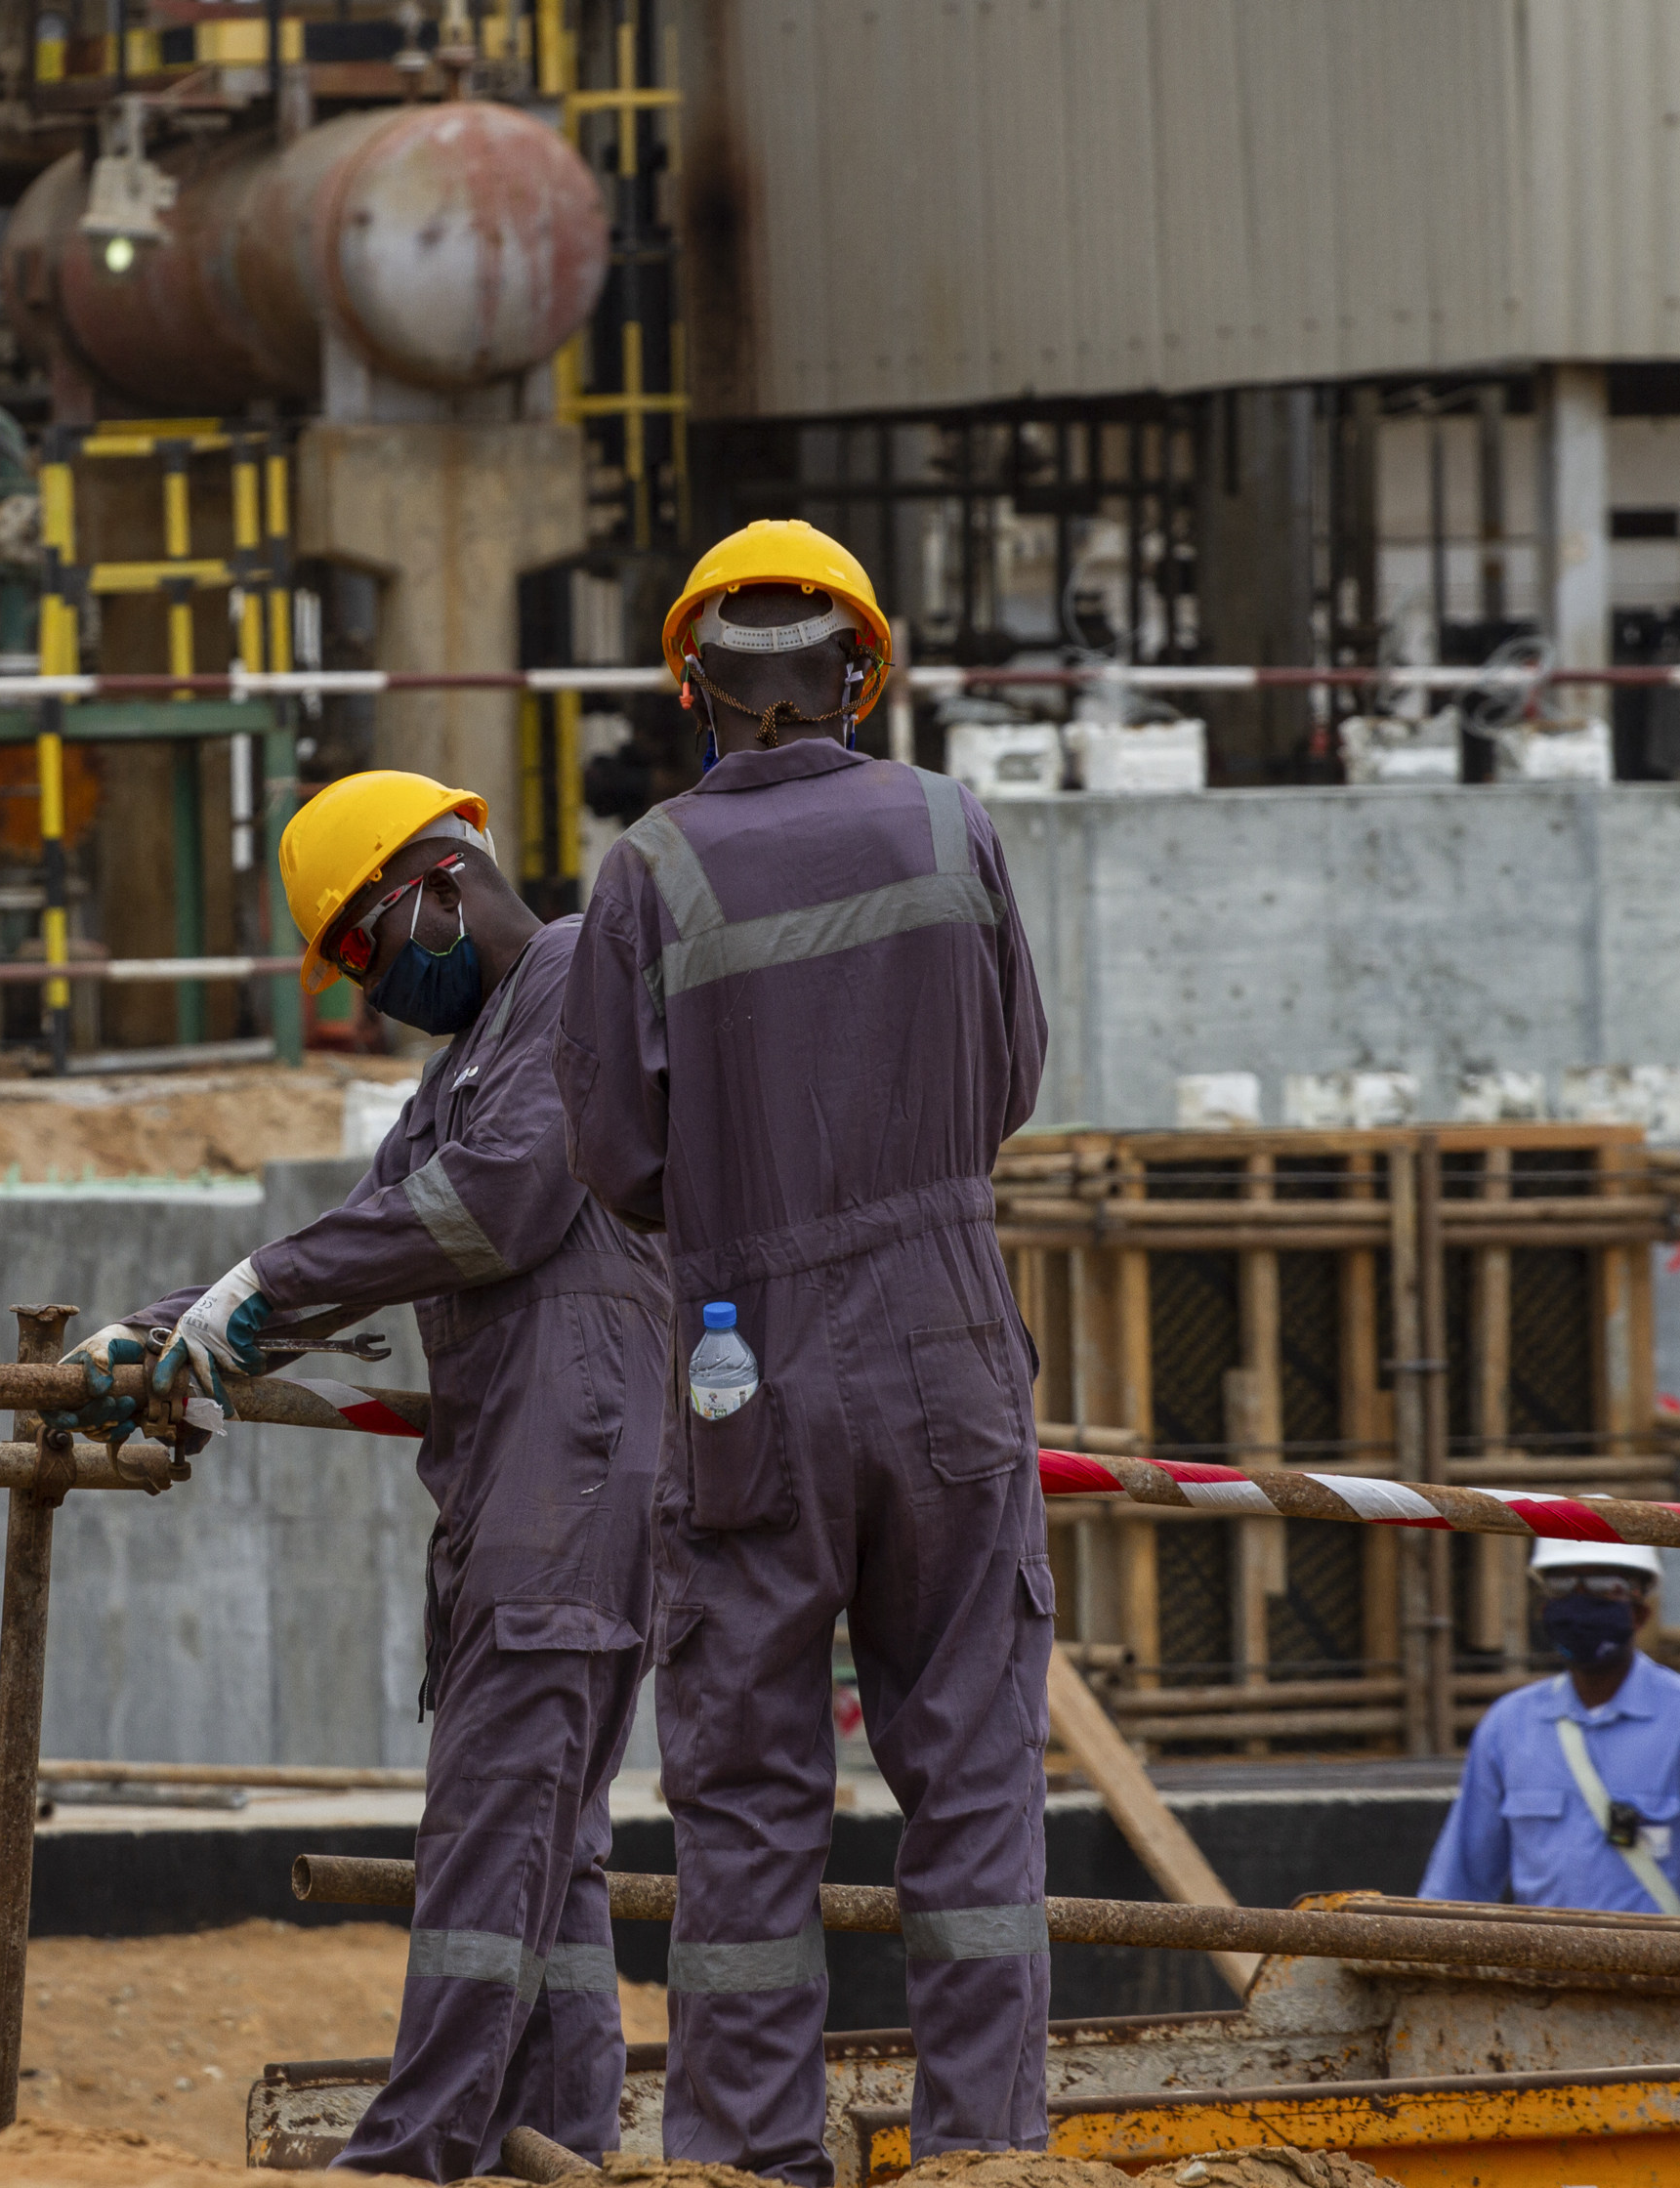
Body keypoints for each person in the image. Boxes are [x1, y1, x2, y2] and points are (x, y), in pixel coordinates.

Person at [59, 772, 667, 2181]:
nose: (373, 986)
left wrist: (251, 1303)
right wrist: (166, 1330)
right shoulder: (466, 1065)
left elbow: (496, 1202)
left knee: (491, 1830)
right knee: (549, 1849)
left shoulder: (581, 982)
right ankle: (558, 2142)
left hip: (567, 1482)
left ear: (443, 879)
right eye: (343, 967)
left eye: (368, 948)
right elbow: (358, 1233)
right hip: (528, 1486)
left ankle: (414, 2156)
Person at [553, 520, 1052, 2184]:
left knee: (752, 1789)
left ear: (695, 683)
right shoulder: (949, 826)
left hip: (741, 1357)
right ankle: (987, 2152)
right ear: (860, 673)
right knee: (972, 1766)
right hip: (949, 1330)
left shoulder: (648, 872)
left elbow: (617, 1163)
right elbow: (1014, 1075)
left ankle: (750, 2161)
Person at [1420, 1537, 1680, 1915]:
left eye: (1603, 1588)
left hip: (1660, 1971)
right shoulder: (1509, 1726)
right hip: (1541, 1970)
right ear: (1544, 1607)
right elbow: (1458, 1884)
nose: (1579, 1604)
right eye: (1561, 1586)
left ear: (1640, 1611)